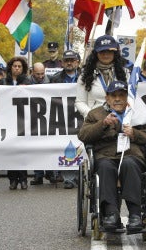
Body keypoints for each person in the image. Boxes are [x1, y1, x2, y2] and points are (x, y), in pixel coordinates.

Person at [77, 80, 146, 231]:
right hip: (105, 155)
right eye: (113, 95)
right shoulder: (95, 114)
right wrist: (102, 124)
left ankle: (135, 215)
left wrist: (135, 133)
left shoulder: (139, 112)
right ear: (107, 98)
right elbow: (83, 135)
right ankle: (110, 214)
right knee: (104, 166)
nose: (117, 99)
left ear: (127, 97)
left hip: (132, 154)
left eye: (121, 95)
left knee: (129, 164)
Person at [75, 34, 129, 119]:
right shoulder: (85, 74)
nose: (106, 55)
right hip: (95, 123)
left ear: (115, 53)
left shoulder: (125, 73)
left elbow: (131, 98)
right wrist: (93, 116)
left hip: (120, 120)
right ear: (96, 54)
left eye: (109, 51)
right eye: (102, 52)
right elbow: (80, 102)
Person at [0, 56, 31, 190]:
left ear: (23, 69)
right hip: (6, 120)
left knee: (22, 150)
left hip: (22, 120)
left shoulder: (28, 82)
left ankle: (23, 179)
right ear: (10, 67)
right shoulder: (2, 82)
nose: (17, 68)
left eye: (19, 66)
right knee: (10, 150)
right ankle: (12, 180)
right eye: (14, 66)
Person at [49, 50, 81, 189]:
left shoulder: (85, 77)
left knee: (80, 143)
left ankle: (80, 175)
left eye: (72, 60)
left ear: (77, 62)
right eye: (66, 60)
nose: (69, 62)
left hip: (81, 115)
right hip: (62, 116)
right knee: (66, 144)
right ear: (62, 62)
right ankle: (68, 178)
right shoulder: (55, 79)